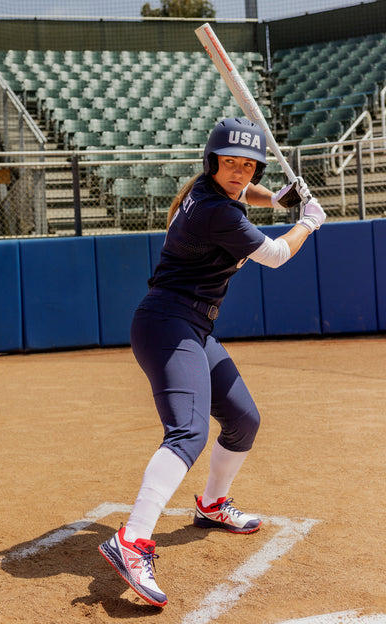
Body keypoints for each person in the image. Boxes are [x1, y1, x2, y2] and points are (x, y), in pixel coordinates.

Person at [98, 117, 326, 608]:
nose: (240, 172)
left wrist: (280, 198)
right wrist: (307, 220)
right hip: (166, 323)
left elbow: (246, 194)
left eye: (248, 165)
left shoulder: (210, 192)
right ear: (212, 163)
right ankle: (132, 540)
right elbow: (274, 255)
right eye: (231, 163)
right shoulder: (214, 211)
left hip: (193, 327)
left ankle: (211, 504)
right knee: (188, 432)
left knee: (243, 418)